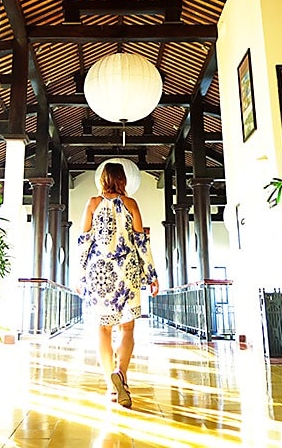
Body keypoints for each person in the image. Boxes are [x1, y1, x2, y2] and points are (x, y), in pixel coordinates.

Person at [77, 162, 159, 408]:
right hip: (127, 272)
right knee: (128, 329)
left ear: (101, 179)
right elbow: (141, 242)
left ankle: (109, 383)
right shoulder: (131, 204)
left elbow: (84, 243)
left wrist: (79, 276)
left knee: (103, 329)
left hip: (100, 273)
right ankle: (121, 374)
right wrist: (151, 275)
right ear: (122, 180)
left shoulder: (92, 203)